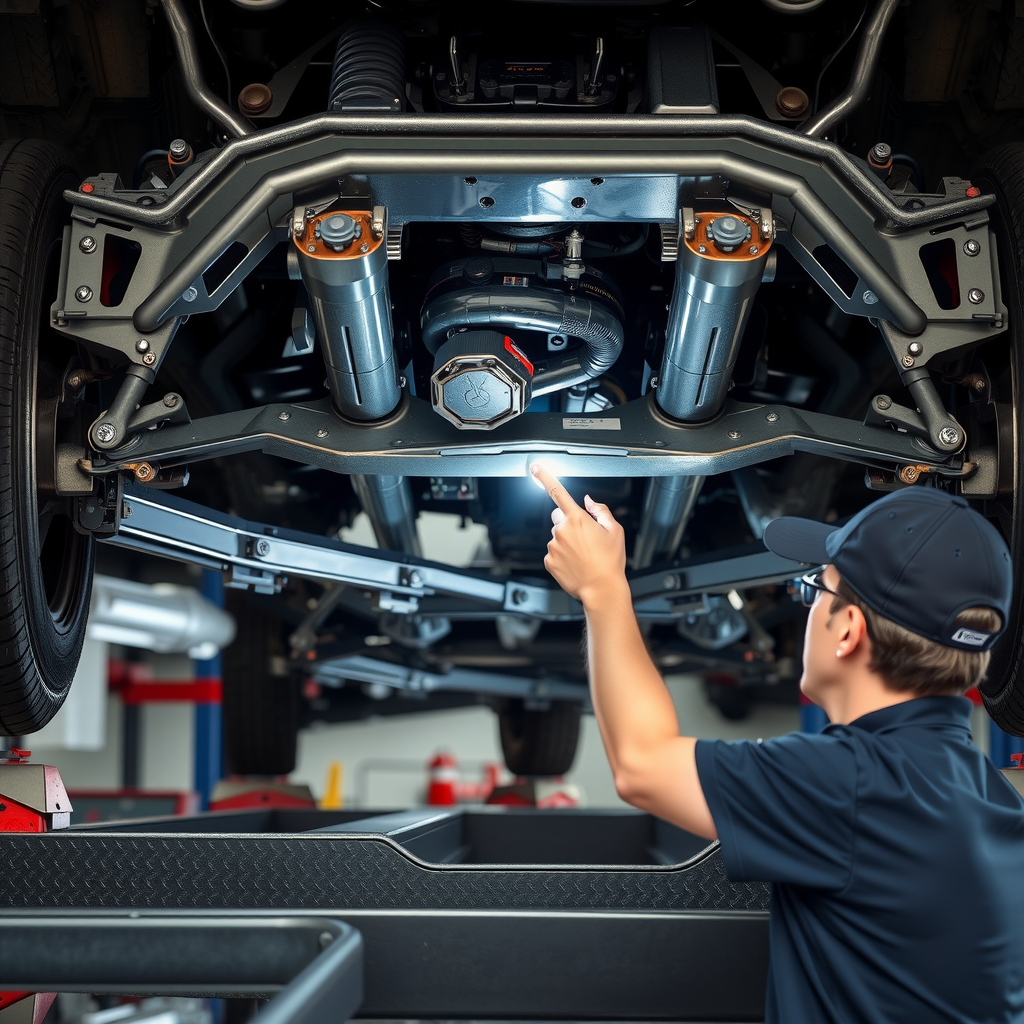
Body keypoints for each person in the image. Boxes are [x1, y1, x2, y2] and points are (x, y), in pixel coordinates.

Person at [531, 462, 1024, 1024]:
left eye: (816, 587)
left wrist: (602, 588)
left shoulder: (855, 782)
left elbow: (642, 764)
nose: (806, 606)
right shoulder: (996, 801)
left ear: (848, 631)